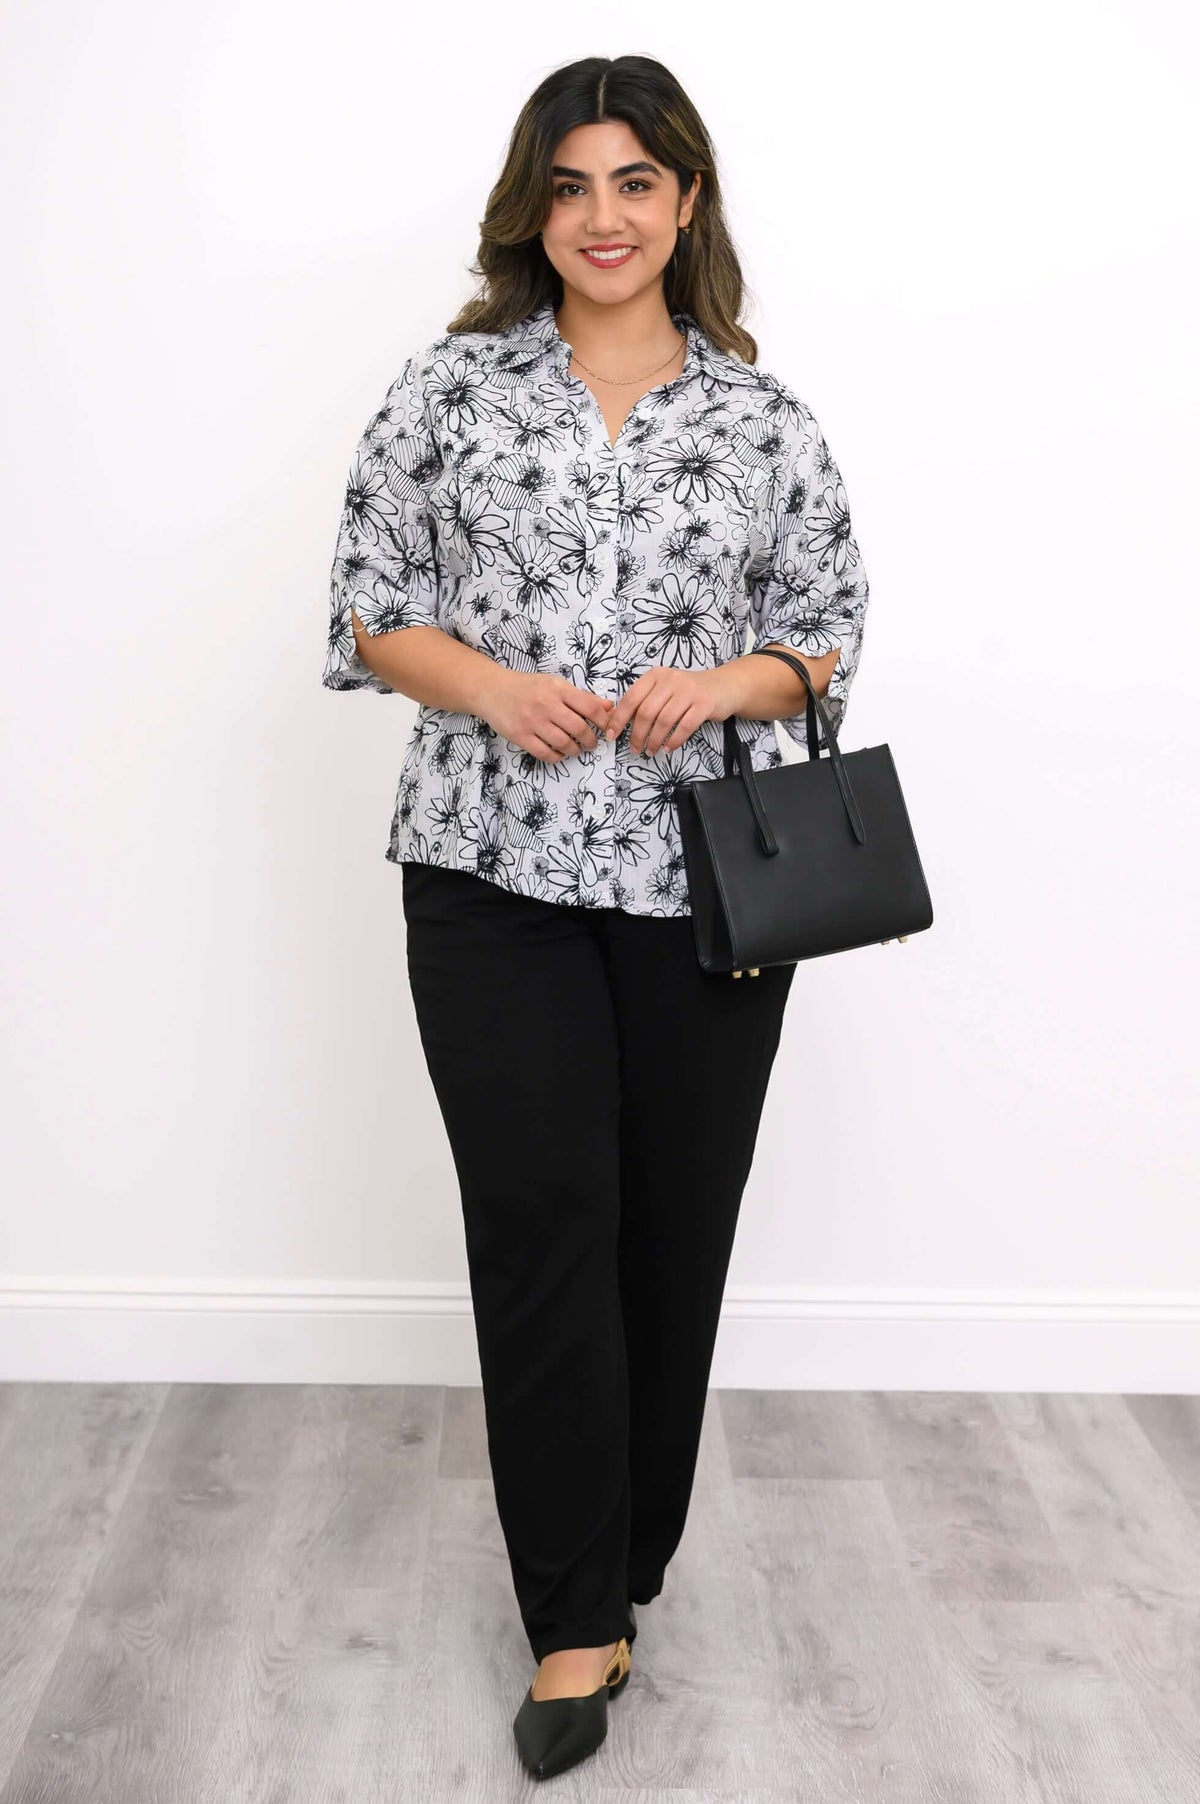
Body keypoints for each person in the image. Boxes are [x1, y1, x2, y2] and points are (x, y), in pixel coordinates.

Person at [322, 53, 870, 1782]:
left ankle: (626, 1554)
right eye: (571, 186)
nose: (604, 216)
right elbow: (365, 608)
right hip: (488, 872)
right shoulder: (448, 393)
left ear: (686, 202)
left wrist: (721, 684)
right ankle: (572, 1613)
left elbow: (830, 627)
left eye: (636, 182)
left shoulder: (765, 419)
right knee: (544, 1218)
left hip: (706, 884)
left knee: (668, 1229)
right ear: (532, 210)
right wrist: (494, 685)